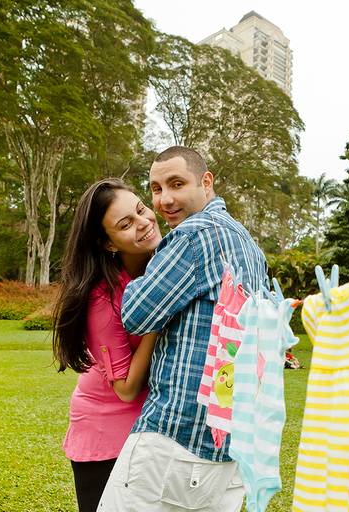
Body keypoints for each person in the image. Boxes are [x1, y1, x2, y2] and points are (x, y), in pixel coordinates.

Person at [98, 147, 268, 511]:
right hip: (229, 445)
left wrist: (144, 271)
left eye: (177, 184)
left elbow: (137, 314)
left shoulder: (194, 234)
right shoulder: (250, 246)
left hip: (174, 439)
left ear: (206, 182)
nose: (165, 200)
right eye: (156, 189)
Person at [52, 178, 162, 512]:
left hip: (148, 424)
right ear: (108, 243)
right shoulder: (104, 297)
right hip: (104, 427)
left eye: (141, 210)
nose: (143, 223)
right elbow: (125, 388)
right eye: (125, 224)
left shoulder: (161, 266)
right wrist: (158, 319)